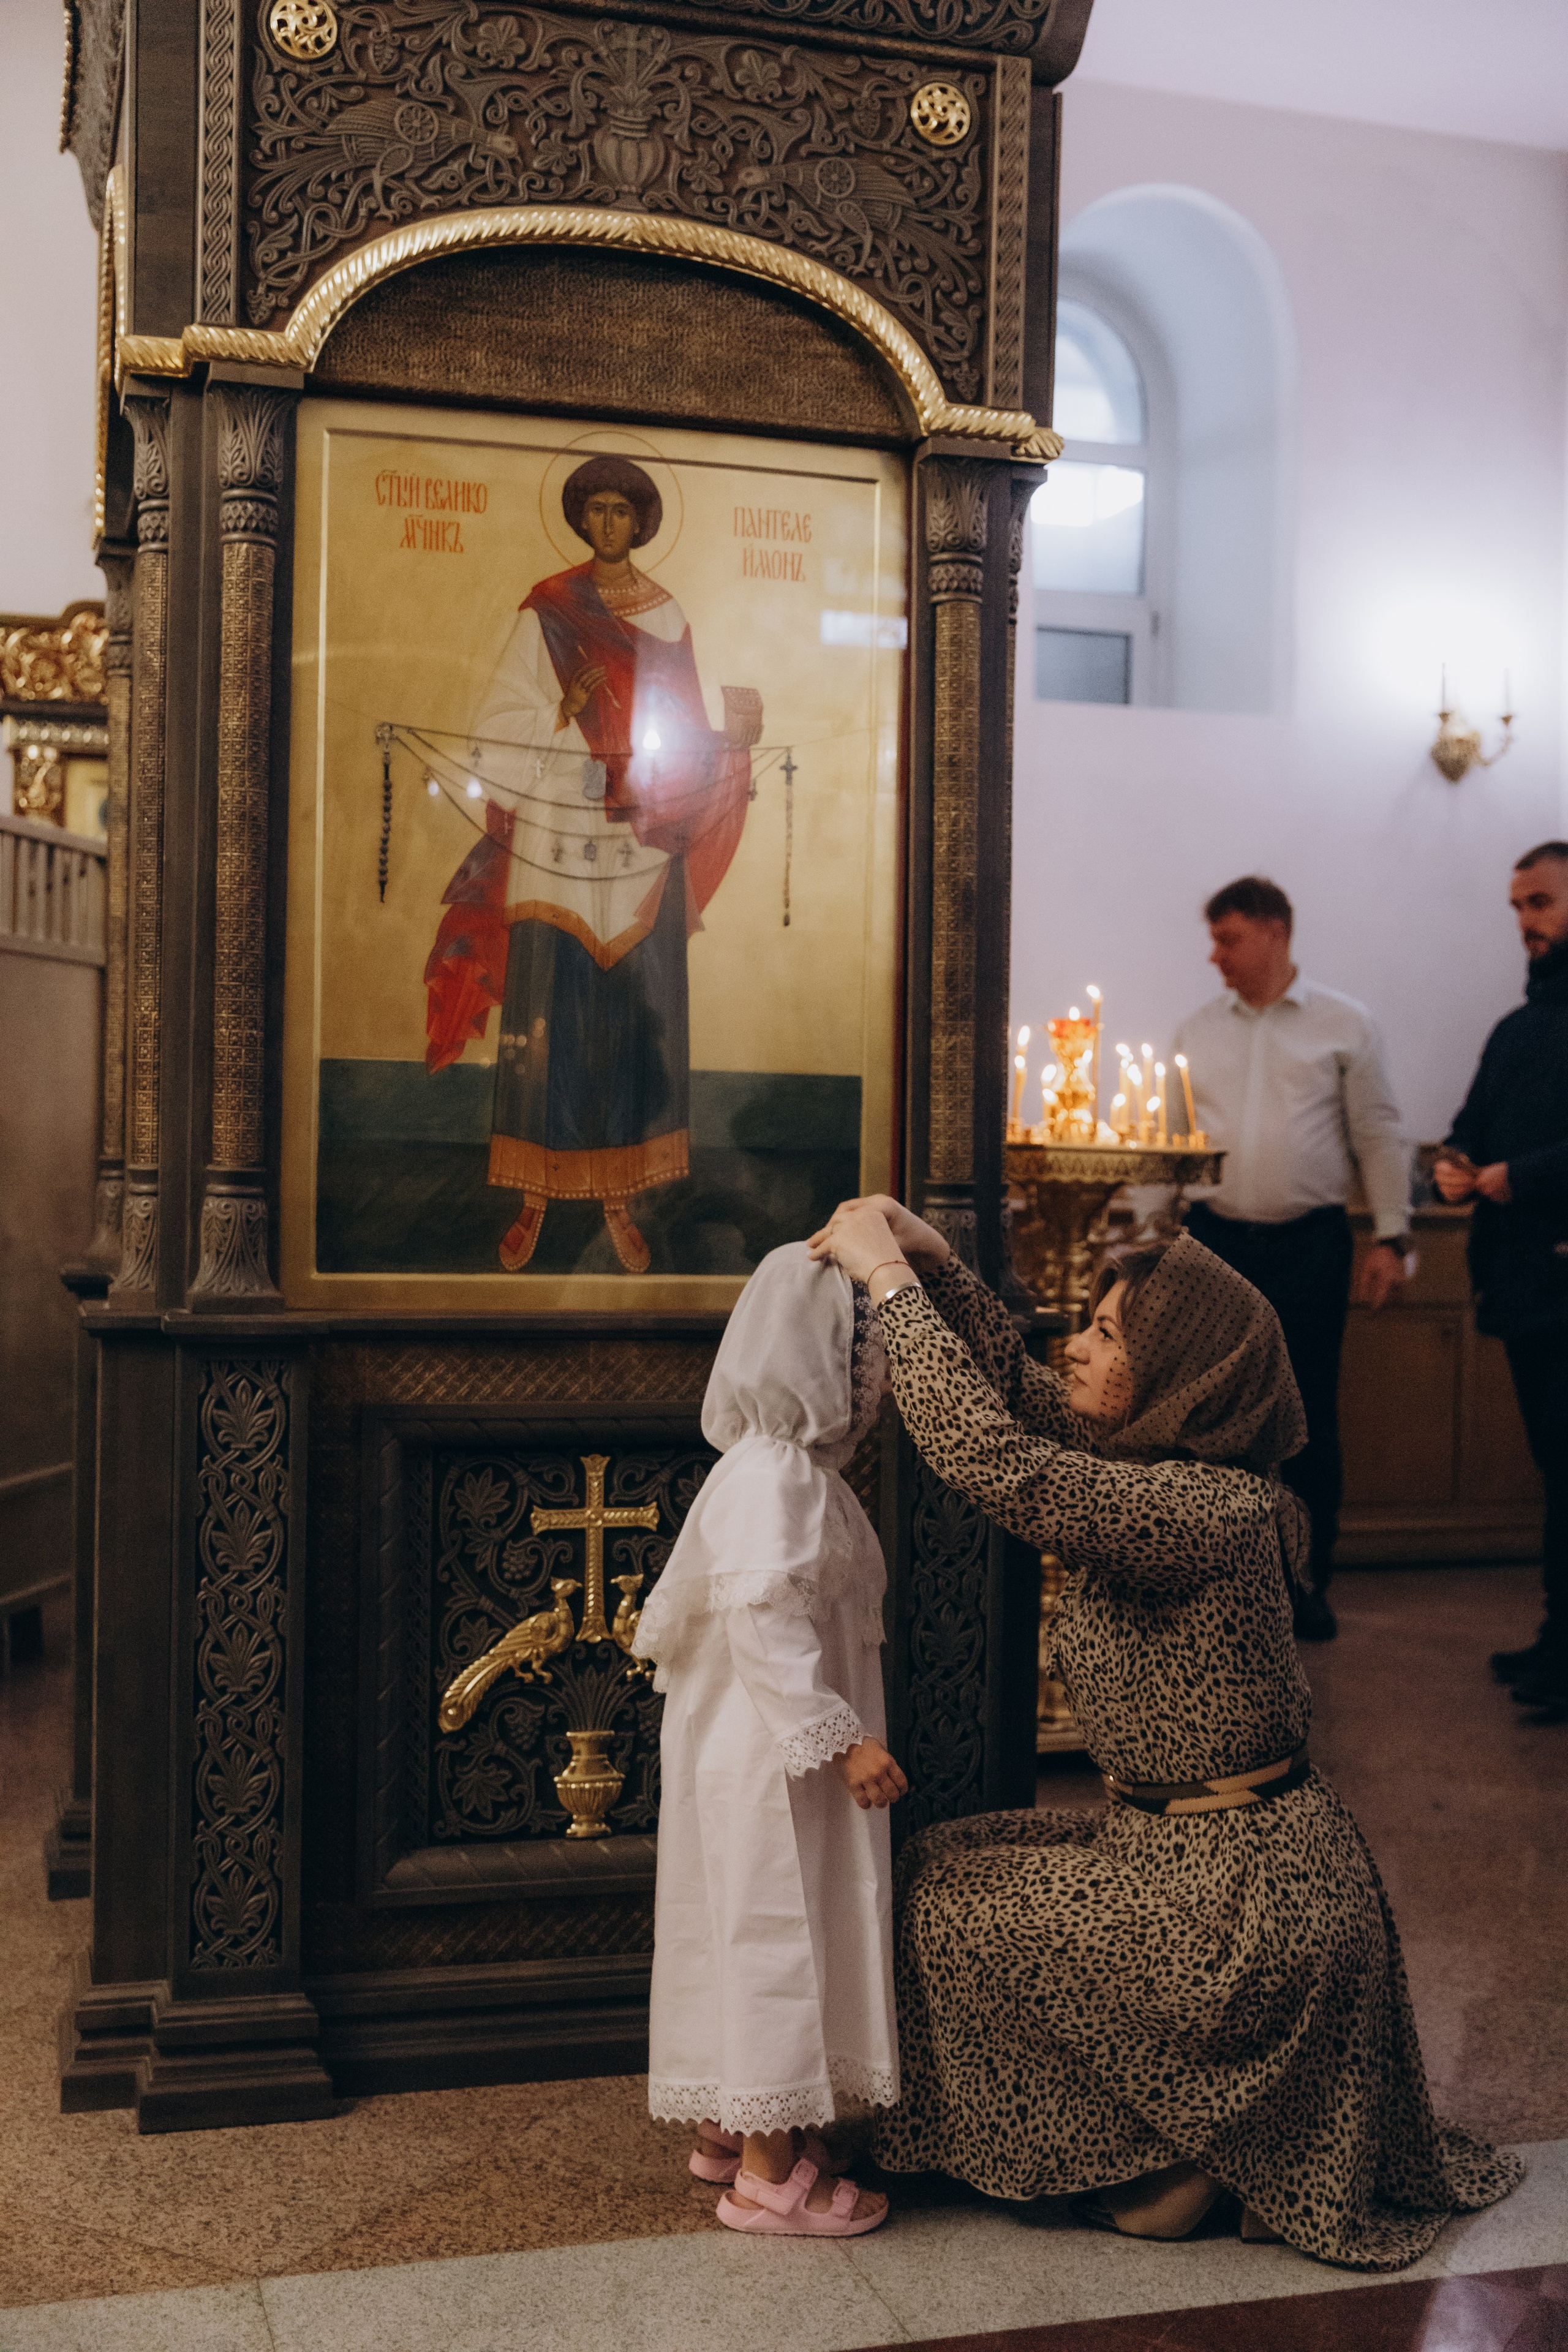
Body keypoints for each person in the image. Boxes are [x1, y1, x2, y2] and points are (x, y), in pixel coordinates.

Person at [808, 1197, 1521, 2269]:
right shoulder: (1152, 1470)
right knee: (944, 1859)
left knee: (945, 1907)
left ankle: (1174, 2158)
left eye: (1106, 1336)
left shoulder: (1208, 1510)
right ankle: (1180, 2142)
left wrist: (890, 1286)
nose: (1076, 1349)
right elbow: (1016, 1398)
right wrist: (940, 1262)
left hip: (1244, 1903)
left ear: (1189, 1374)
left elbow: (999, 1457)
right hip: (1182, 1855)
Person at [423, 455, 757, 1275]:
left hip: (638, 847)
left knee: (632, 1027)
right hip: (555, 845)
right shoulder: (549, 609)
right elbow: (493, 729)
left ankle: (623, 1199)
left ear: (641, 522)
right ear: (581, 519)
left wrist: (733, 741)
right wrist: (560, 710)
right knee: (550, 1024)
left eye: (622, 511)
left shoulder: (671, 618)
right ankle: (535, 1199)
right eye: (595, 510)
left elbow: (678, 736)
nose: (608, 524)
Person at [631, 1242, 904, 2237]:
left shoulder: (780, 1472)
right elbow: (761, 1618)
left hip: (758, 1751)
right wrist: (842, 1741)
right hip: (773, 1755)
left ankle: (729, 2119)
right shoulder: (778, 1474)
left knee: (745, 1923)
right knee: (772, 1934)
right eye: (863, 1364)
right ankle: (769, 2173)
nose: (872, 1388)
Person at [1173, 875, 1412, 1641]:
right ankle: (1219, 1584)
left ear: (1275, 932)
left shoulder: (1346, 1025)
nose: (1214, 956)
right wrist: (1144, 1243)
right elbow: (1169, 1145)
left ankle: (1303, 1583)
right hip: (1213, 1243)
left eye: (1228, 938)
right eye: (1213, 939)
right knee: (1212, 1422)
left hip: (1309, 1244)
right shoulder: (1196, 1031)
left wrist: (1393, 1234)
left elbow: (1376, 1132)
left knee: (1305, 1421)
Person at [1434, 840, 1568, 1720]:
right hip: (1523, 1287)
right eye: (1519, 906)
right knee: (1558, 1473)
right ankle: (1561, 1638)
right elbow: (1468, 1130)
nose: (1526, 922)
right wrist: (1455, 1166)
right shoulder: (1519, 1026)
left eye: (1543, 903)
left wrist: (1520, 1177)